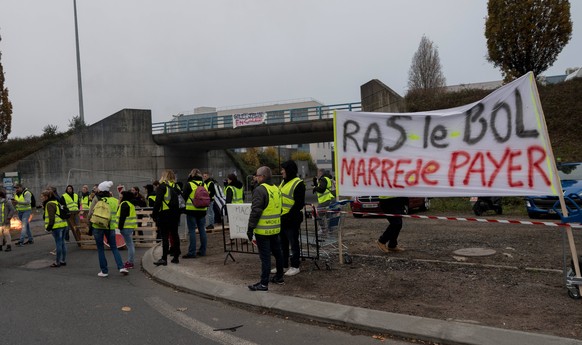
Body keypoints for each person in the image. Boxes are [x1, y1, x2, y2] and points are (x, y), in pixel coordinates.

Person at [246, 166, 284, 291]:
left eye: (257, 175)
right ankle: (279, 277)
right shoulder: (276, 189)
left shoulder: (260, 190)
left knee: (265, 258)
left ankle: (263, 284)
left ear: (262, 176)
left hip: (263, 231)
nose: (255, 177)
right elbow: (280, 208)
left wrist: (250, 229)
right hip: (275, 229)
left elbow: (255, 211)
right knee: (278, 254)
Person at [88, 181, 129, 277]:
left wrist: (89, 223)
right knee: (114, 248)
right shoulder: (114, 201)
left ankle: (104, 271)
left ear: (101, 190)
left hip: (98, 227)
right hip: (110, 227)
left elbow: (90, 213)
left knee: (100, 249)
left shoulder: (96, 200)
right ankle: (121, 267)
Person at [277, 160, 305, 277]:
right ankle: (283, 265)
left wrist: (288, 217)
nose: (281, 171)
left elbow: (298, 203)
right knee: (282, 244)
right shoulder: (283, 182)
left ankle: (295, 266)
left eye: (283, 169)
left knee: (293, 243)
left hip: (291, 219)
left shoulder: (298, 183)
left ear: (289, 170)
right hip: (282, 218)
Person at [152, 170, 181, 265]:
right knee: (175, 235)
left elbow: (158, 202)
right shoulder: (176, 186)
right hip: (175, 214)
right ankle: (176, 257)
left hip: (164, 214)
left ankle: (164, 258)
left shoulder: (162, 186)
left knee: (165, 237)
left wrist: (154, 214)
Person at [182, 169, 208, 258]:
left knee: (192, 231)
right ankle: (203, 251)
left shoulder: (189, 184)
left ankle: (192, 252)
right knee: (202, 230)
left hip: (191, 210)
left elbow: (184, 196)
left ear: (191, 175)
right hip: (202, 210)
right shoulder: (204, 184)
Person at [41, 189, 68, 267]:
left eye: (42, 197)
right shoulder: (56, 202)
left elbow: (51, 218)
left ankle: (57, 262)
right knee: (62, 243)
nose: (41, 198)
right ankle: (63, 260)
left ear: (47, 197)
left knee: (58, 244)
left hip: (56, 227)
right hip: (63, 224)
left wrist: (48, 228)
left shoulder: (49, 204)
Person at [118, 190, 137, 269]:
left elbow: (122, 217)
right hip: (130, 227)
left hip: (125, 227)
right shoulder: (130, 204)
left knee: (130, 245)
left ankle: (130, 262)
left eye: (121, 196)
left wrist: (120, 227)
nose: (120, 198)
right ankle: (130, 261)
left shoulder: (124, 204)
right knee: (130, 245)